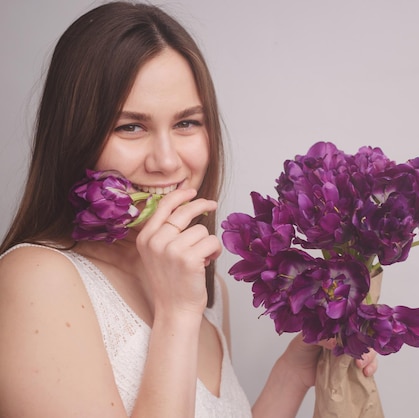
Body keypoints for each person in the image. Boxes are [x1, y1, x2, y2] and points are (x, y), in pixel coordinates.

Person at [0, 2, 377, 417]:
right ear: (76, 137)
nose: (166, 161)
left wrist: (291, 372)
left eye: (186, 123)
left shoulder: (204, 284)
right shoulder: (36, 279)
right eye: (131, 126)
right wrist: (176, 313)